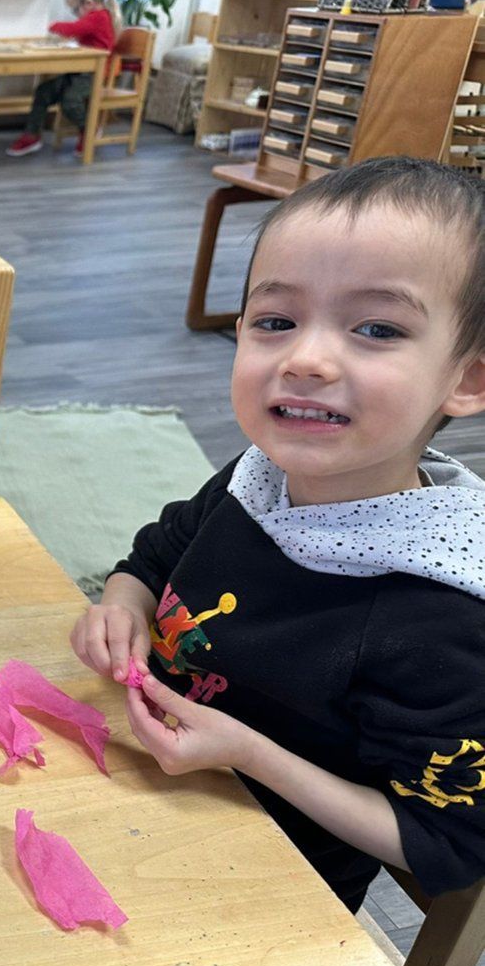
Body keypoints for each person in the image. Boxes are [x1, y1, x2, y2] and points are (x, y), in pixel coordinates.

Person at [70, 157, 485, 913]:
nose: (305, 358)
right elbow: (153, 555)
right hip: (138, 790)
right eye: (275, 321)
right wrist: (122, 607)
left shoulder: (442, 616)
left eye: (377, 328)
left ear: (468, 377)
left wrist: (251, 755)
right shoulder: (257, 474)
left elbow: (446, 841)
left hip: (265, 893)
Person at [5, 0, 120, 158]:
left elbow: (73, 29)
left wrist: (49, 26)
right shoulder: (96, 16)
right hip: (78, 71)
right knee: (43, 91)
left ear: (88, 4)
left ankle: (89, 129)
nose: (76, 14)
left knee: (70, 101)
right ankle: (32, 135)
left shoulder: (99, 17)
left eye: (76, 10)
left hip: (92, 74)